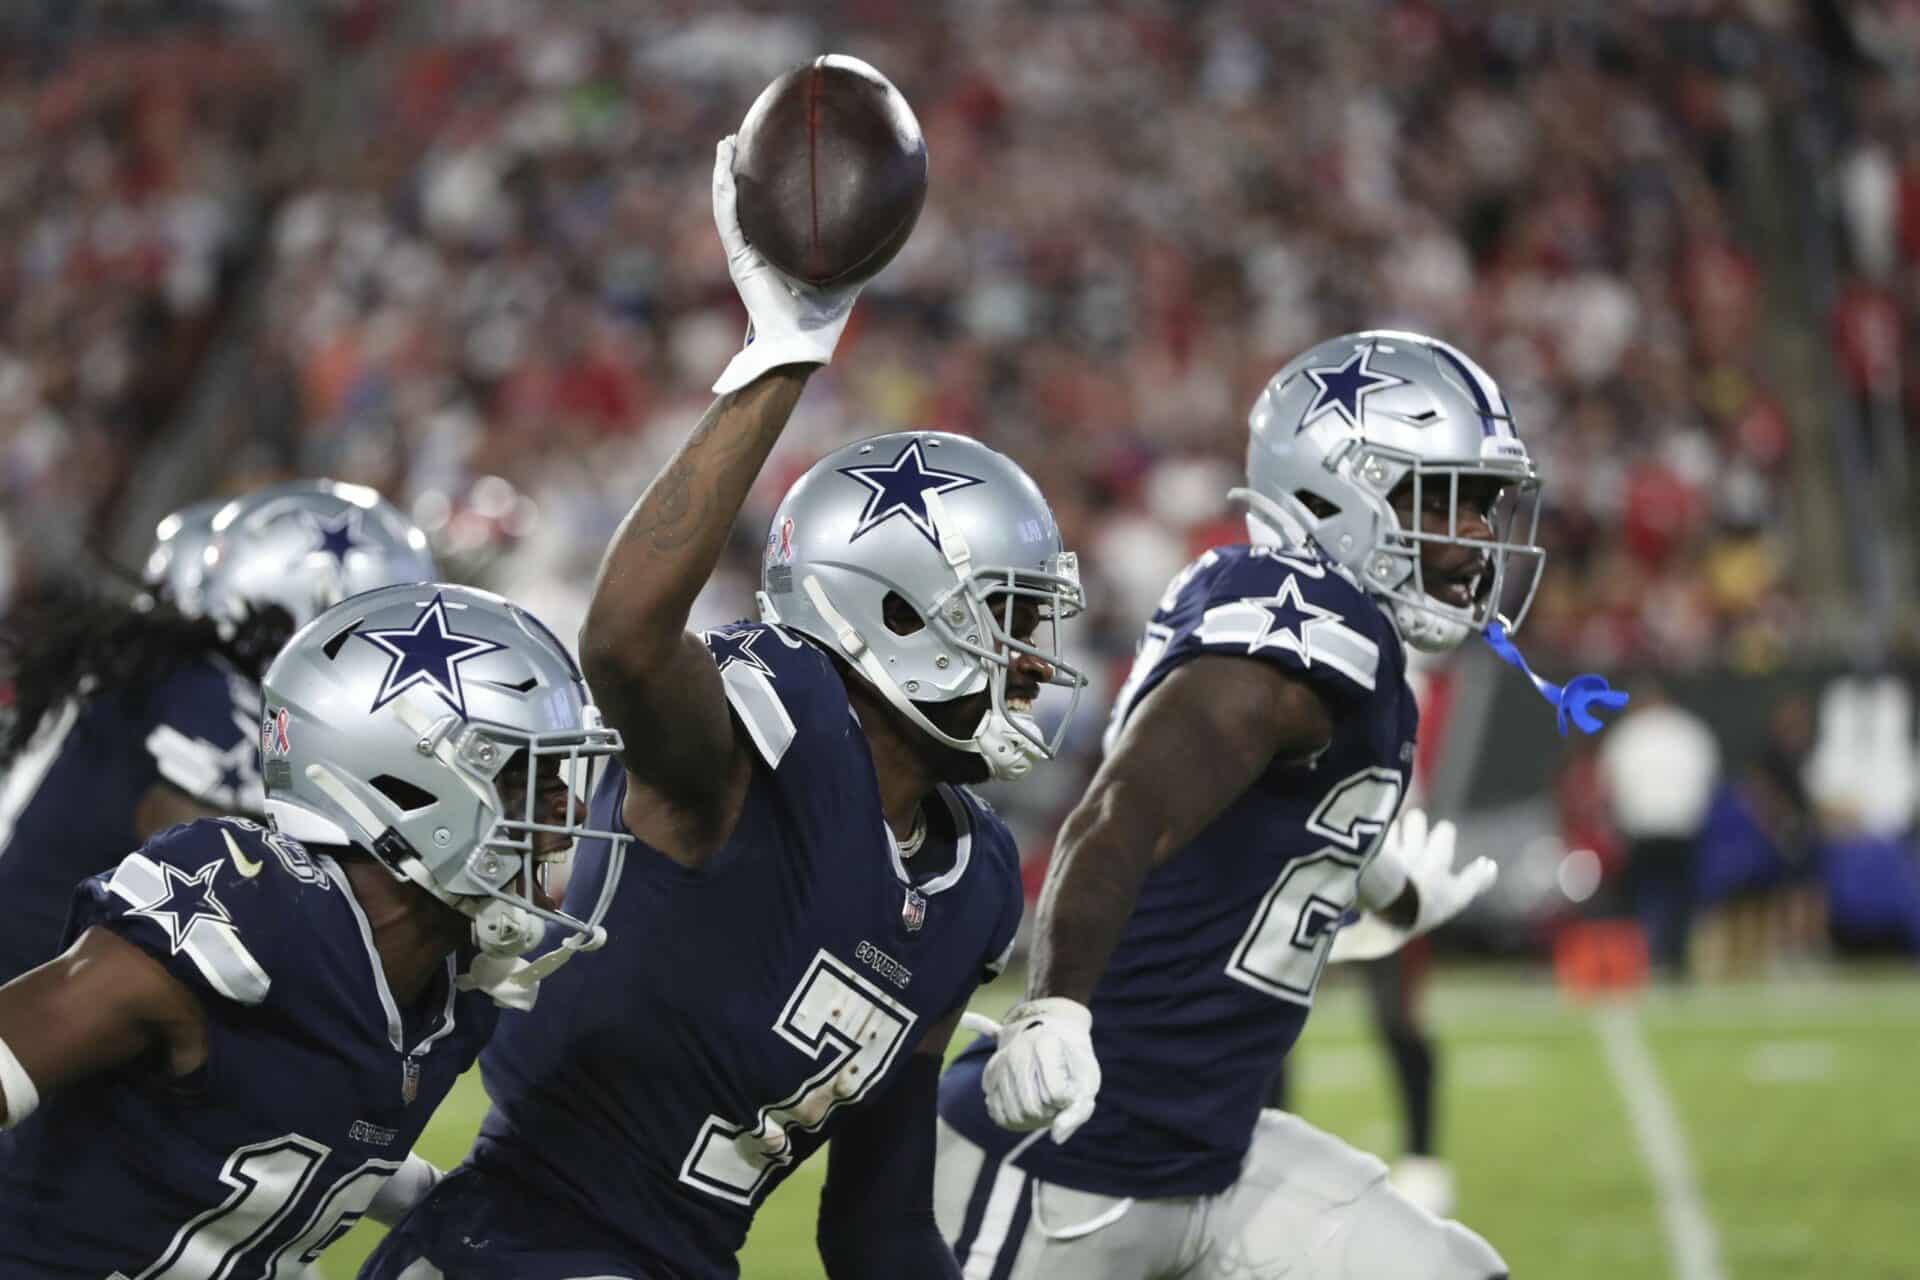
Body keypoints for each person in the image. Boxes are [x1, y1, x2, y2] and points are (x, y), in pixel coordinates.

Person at [359, 136, 1087, 1280]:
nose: (1038, 666)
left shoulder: (976, 878)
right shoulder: (772, 727)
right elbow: (626, 641)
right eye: (1008, 620)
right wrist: (783, 357)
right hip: (520, 1242)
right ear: (897, 612)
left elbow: (879, 1228)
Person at [938, 331, 1591, 1279]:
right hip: (1060, 1165)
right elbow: (1119, 812)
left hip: (1213, 1160)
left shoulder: (1357, 656)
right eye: (1451, 501)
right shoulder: (1303, 631)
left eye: (1488, 507)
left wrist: (1386, 891)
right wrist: (1054, 1012)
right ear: (1343, 489)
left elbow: (1274, 825)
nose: (1481, 539)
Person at [0, 582, 632, 1278]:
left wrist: (443, 1195)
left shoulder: (455, 983)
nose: (566, 808)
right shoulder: (251, 911)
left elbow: (280, 1121)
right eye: (524, 779)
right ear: (408, 784)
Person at [0, 479, 438, 985]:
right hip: (35, 1005)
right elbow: (221, 867)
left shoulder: (160, 670)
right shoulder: (202, 691)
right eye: (378, 643)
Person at [1597, 680, 1720, 977]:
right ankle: (1675, 961)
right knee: (1679, 900)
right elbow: (1708, 778)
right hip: (1682, 829)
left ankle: (1636, 962)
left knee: (1637, 900)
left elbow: (1609, 784)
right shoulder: (1690, 731)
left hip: (1642, 830)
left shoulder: (1628, 733)